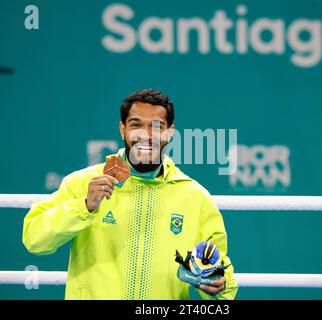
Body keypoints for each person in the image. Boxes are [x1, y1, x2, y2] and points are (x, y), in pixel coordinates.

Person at [22, 89, 238, 300]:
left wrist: (219, 285)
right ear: (122, 129)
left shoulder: (195, 197)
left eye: (157, 126)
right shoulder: (83, 183)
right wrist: (84, 207)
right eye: (136, 125)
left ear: (169, 133)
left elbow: (219, 270)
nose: (146, 134)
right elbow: (35, 239)